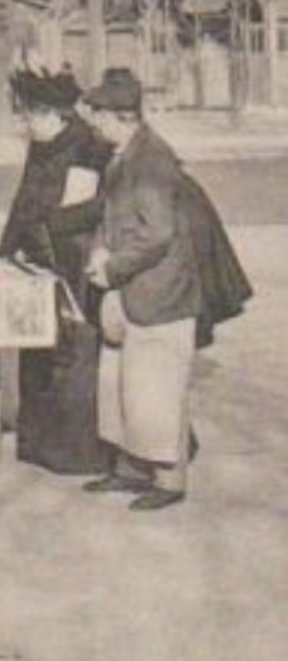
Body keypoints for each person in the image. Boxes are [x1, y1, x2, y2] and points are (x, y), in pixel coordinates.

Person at [80, 67, 247, 512]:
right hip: (131, 288)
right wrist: (99, 253)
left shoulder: (150, 161)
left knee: (158, 388)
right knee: (122, 384)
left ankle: (170, 481)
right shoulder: (124, 154)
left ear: (122, 116)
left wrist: (112, 268)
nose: (93, 121)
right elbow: (110, 218)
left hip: (161, 293)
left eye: (98, 113)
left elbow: (157, 234)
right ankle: (130, 471)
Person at [0, 70, 111, 474]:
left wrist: (45, 237)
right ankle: (37, 442)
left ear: (53, 114)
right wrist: (4, 248)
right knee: (38, 347)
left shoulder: (87, 148)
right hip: (40, 260)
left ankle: (73, 451)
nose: (24, 127)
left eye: (29, 118)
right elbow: (24, 198)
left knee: (71, 352)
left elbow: (82, 213)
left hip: (72, 263)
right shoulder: (42, 145)